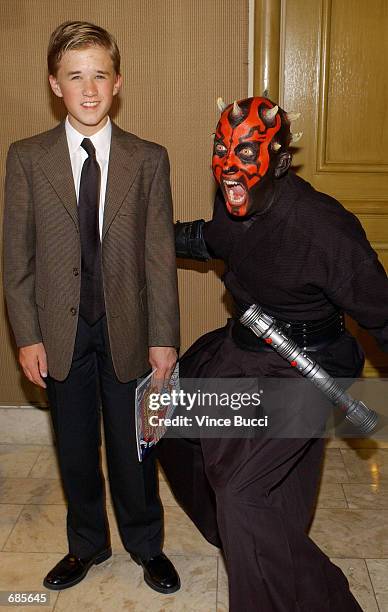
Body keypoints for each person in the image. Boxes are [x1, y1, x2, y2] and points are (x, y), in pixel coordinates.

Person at [158, 96, 388, 611]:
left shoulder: (325, 229)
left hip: (304, 369)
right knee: (175, 422)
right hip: (241, 347)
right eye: (221, 151)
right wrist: (151, 238)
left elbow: (382, 312)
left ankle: (307, 587)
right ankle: (251, 541)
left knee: (243, 493)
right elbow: (216, 239)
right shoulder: (233, 195)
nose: (228, 168)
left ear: (279, 162)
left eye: (243, 154)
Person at [3, 21, 180, 594]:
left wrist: (164, 336)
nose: (88, 88)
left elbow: (158, 257)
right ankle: (86, 544)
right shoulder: (27, 158)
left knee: (135, 448)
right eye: (74, 75)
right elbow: (18, 259)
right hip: (60, 332)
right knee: (74, 447)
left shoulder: (148, 159)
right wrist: (27, 336)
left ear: (117, 82)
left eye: (99, 75)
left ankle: (146, 544)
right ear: (55, 83)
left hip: (129, 329)